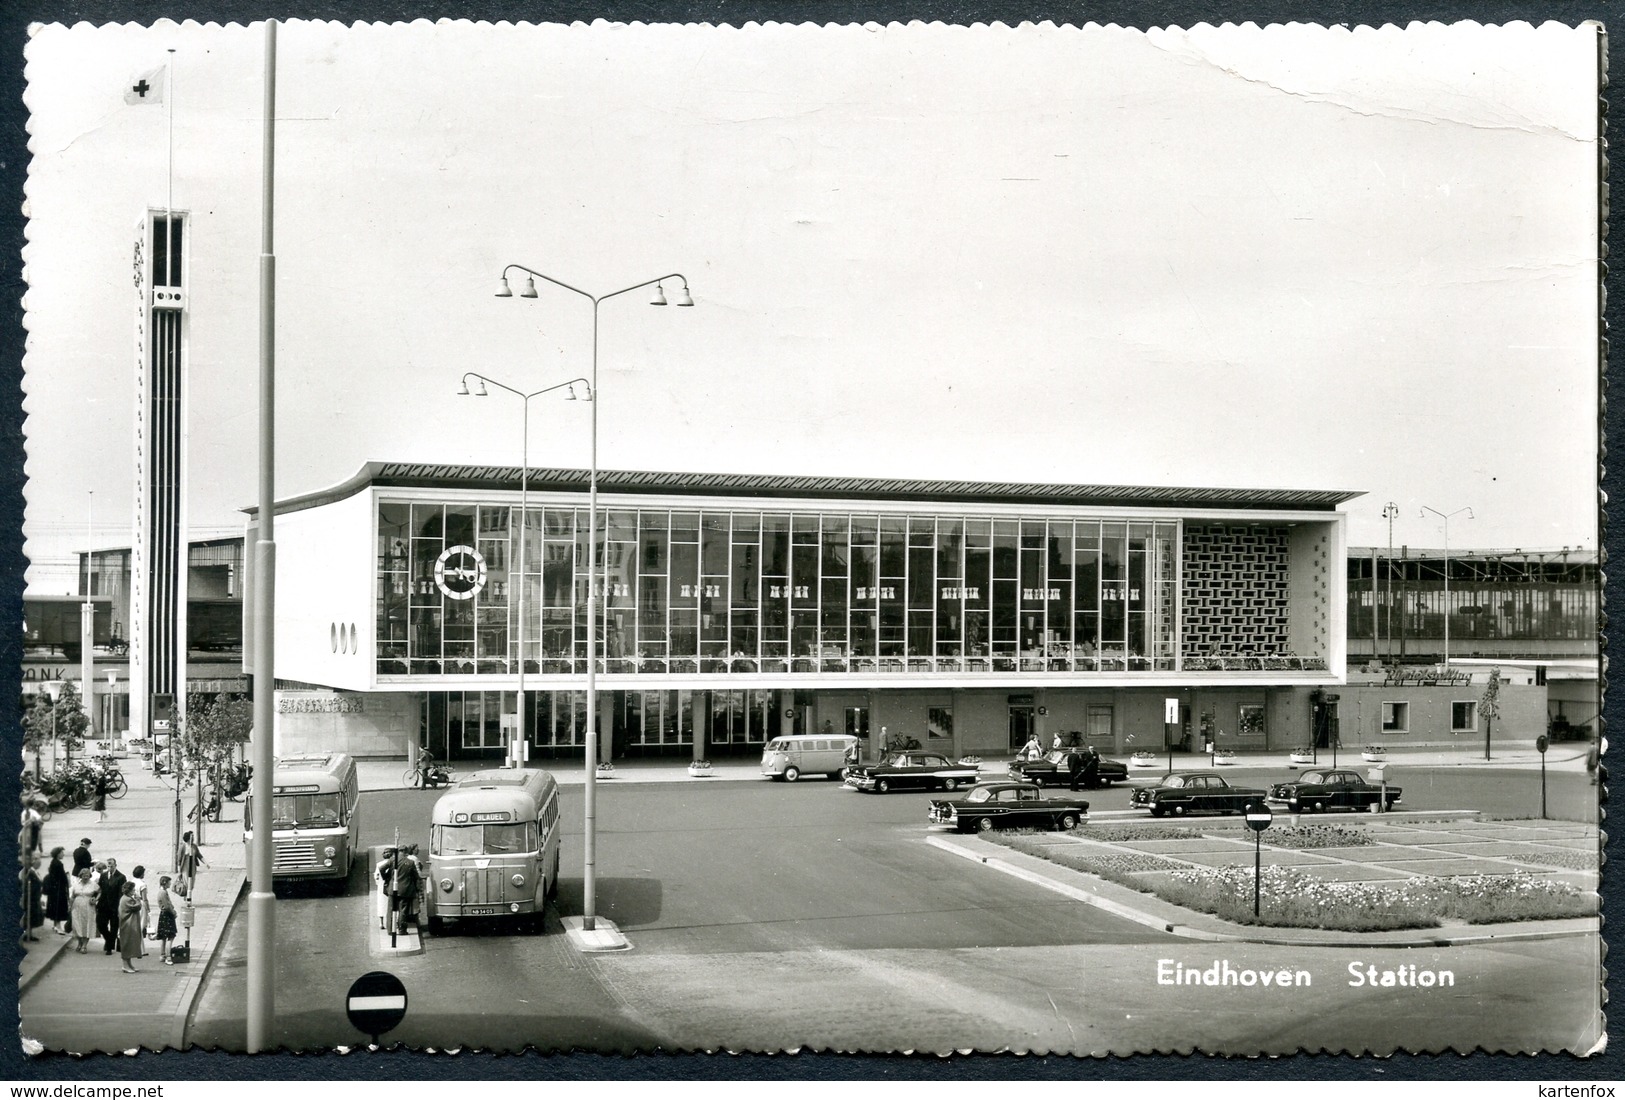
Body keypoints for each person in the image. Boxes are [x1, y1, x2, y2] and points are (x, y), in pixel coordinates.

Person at [97, 858, 126, 955]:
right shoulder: (103, 875)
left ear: (115, 865)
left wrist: (119, 907)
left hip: (114, 906)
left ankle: (109, 947)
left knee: (114, 927)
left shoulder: (121, 877)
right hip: (103, 905)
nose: (110, 868)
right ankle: (109, 939)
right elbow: (100, 889)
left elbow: (121, 894)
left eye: (111, 866)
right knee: (101, 925)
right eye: (108, 866)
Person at [68, 867, 97, 953]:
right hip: (76, 907)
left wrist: (95, 899)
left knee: (87, 926)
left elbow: (100, 892)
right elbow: (72, 896)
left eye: (87, 875)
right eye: (84, 875)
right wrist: (70, 906)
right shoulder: (77, 884)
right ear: (81, 876)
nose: (85, 877)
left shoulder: (93, 884)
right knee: (77, 926)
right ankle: (79, 943)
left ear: (90, 876)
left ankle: (84, 946)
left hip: (88, 908)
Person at [116, 880, 142, 973]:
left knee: (129, 944)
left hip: (129, 924)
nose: (134, 891)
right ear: (129, 890)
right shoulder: (127, 899)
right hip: (128, 925)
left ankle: (129, 964)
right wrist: (138, 899)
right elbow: (137, 907)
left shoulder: (126, 898)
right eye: (133, 890)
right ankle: (125, 965)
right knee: (127, 944)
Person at [43, 846, 70, 935]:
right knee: (59, 907)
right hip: (58, 890)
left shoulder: (53, 862)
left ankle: (55, 925)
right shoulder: (58, 864)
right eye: (62, 853)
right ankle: (58, 927)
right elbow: (61, 878)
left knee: (55, 906)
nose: (63, 854)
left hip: (54, 889)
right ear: (58, 854)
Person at [393, 845, 421, 927]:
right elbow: (416, 875)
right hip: (406, 887)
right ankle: (402, 927)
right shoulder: (411, 861)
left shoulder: (393, 860)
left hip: (394, 887)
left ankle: (394, 926)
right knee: (404, 908)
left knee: (395, 908)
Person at [153, 875, 178, 964]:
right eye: (169, 882)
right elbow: (167, 906)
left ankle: (162, 955)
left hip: (163, 915)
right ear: (165, 883)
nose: (170, 884)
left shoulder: (162, 891)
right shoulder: (163, 893)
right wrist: (173, 912)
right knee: (170, 936)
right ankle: (168, 956)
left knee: (163, 936)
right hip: (167, 915)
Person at [20, 854, 44, 943]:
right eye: (38, 863)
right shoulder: (30, 873)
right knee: (30, 915)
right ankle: (27, 934)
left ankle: (29, 934)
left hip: (35, 898)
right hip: (31, 898)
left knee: (33, 916)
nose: (40, 865)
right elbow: (29, 887)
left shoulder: (35, 872)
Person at [129, 865, 150, 957]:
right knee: (140, 927)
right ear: (141, 874)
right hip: (140, 904)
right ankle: (140, 949)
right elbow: (145, 898)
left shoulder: (131, 882)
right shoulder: (142, 884)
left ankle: (135, 948)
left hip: (131, 903)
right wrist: (148, 908)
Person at [376, 848, 396, 930]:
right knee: (392, 904)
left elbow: (376, 876)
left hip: (381, 886)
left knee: (381, 904)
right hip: (390, 885)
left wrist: (379, 882)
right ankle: (394, 922)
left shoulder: (379, 864)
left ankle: (381, 923)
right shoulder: (393, 863)